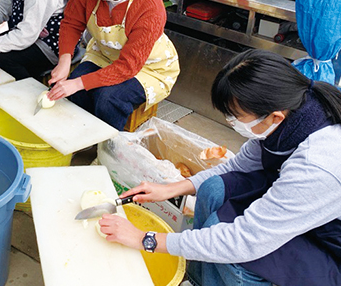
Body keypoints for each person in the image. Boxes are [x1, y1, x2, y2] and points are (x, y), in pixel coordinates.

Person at [100, 49, 341, 286]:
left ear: (274, 116)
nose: (231, 123)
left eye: (237, 116)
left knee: (227, 247)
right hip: (299, 217)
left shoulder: (317, 165)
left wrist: (145, 239)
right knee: (213, 188)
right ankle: (199, 278)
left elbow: (244, 242)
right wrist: (170, 189)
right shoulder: (293, 116)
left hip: (328, 246)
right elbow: (236, 166)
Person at [47, 0, 179, 131]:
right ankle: (81, 137)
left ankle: (107, 146)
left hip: (147, 67)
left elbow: (127, 67)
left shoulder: (149, 6)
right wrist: (64, 60)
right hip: (104, 55)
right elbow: (71, 23)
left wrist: (78, 83)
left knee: (108, 98)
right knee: (76, 92)